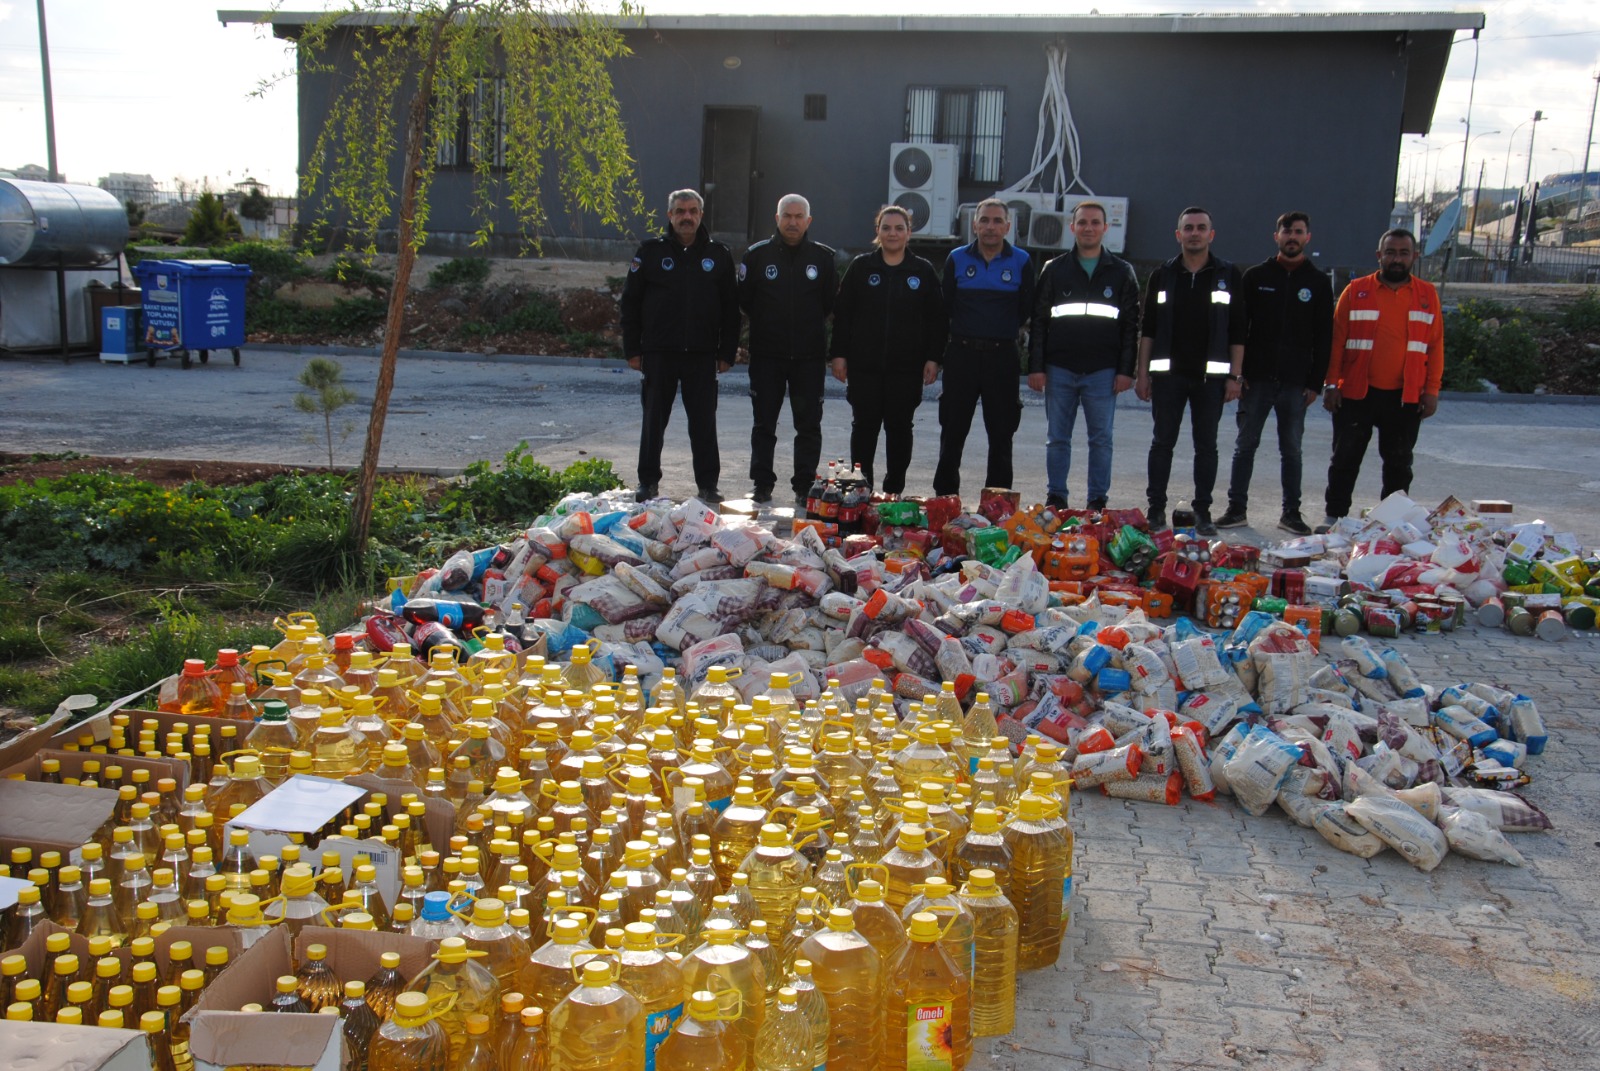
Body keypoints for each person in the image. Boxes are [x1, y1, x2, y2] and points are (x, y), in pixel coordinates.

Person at [1317, 228, 1444, 533]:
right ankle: (1334, 519)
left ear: (1414, 256)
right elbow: (1336, 342)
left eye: (1403, 253)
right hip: (1356, 393)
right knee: (1345, 459)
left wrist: (1431, 391)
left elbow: (1435, 346)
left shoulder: (1427, 295)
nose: (1396, 259)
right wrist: (1331, 384)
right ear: (1379, 256)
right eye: (1390, 252)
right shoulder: (1356, 291)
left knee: (1399, 465)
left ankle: (1392, 524)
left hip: (1405, 396)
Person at [1216, 211, 1334, 536]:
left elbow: (1324, 337)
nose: (1292, 237)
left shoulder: (1318, 282)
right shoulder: (1256, 277)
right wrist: (1238, 374)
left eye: (1298, 232)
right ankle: (1236, 510)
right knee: (1245, 446)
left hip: (1296, 384)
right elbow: (1238, 328)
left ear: (1307, 237)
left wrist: (1315, 383)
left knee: (1292, 450)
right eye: (1287, 231)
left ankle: (1291, 513)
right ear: (1276, 236)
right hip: (1256, 379)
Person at [619, 188, 740, 504]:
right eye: (680, 211)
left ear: (701, 215)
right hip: (659, 352)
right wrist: (633, 349)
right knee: (653, 422)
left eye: (692, 211)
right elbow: (630, 302)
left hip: (702, 354)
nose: (687, 217)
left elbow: (731, 308)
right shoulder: (650, 252)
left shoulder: (718, 255)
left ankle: (708, 485)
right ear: (670, 215)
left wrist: (727, 352)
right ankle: (648, 482)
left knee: (704, 424)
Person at [1136, 206, 1246, 534]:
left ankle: (1203, 513)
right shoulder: (1163, 275)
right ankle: (1156, 510)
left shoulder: (1228, 275)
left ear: (1211, 234)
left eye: (1200, 228)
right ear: (1178, 234)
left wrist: (1235, 376)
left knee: (1206, 446)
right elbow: (1149, 329)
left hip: (1210, 380)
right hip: (1168, 377)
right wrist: (1142, 374)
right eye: (1188, 228)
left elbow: (1238, 330)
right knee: (1162, 443)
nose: (1194, 233)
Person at [1027, 200, 1140, 510]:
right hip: (1060, 368)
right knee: (1057, 438)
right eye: (1083, 222)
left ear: (1105, 228)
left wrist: (1126, 370)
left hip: (1103, 371)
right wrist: (1036, 367)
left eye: (1095, 222)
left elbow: (1131, 325)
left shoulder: (1121, 272)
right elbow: (1039, 321)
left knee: (1101, 439)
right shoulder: (1054, 269)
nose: (1088, 228)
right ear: (1072, 227)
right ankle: (1056, 496)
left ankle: (1097, 500)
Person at [829, 205, 948, 496]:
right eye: (886, 228)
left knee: (900, 429)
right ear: (877, 232)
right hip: (864, 367)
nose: (892, 233)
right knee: (864, 428)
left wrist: (934, 358)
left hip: (906, 369)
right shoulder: (861, 267)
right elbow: (843, 314)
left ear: (908, 232)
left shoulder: (922, 270)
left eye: (898, 228)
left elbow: (937, 319)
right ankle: (862, 488)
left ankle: (894, 489)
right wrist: (838, 354)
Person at [739, 194, 838, 509]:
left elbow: (828, 305)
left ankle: (804, 486)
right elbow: (745, 301)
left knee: (808, 425)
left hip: (808, 359)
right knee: (763, 424)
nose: (792, 222)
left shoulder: (823, 258)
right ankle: (762, 484)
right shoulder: (757, 256)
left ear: (808, 221)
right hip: (767, 357)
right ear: (777, 218)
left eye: (798, 217)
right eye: (787, 216)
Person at [932, 198, 1035, 497]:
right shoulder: (957, 258)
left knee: (1002, 435)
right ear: (974, 225)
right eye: (985, 220)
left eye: (997, 221)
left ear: (1007, 226)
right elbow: (945, 309)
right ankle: (945, 500)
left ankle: (997, 503)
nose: (990, 227)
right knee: (952, 432)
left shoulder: (1021, 261)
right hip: (961, 356)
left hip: (1002, 357)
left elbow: (1025, 309)